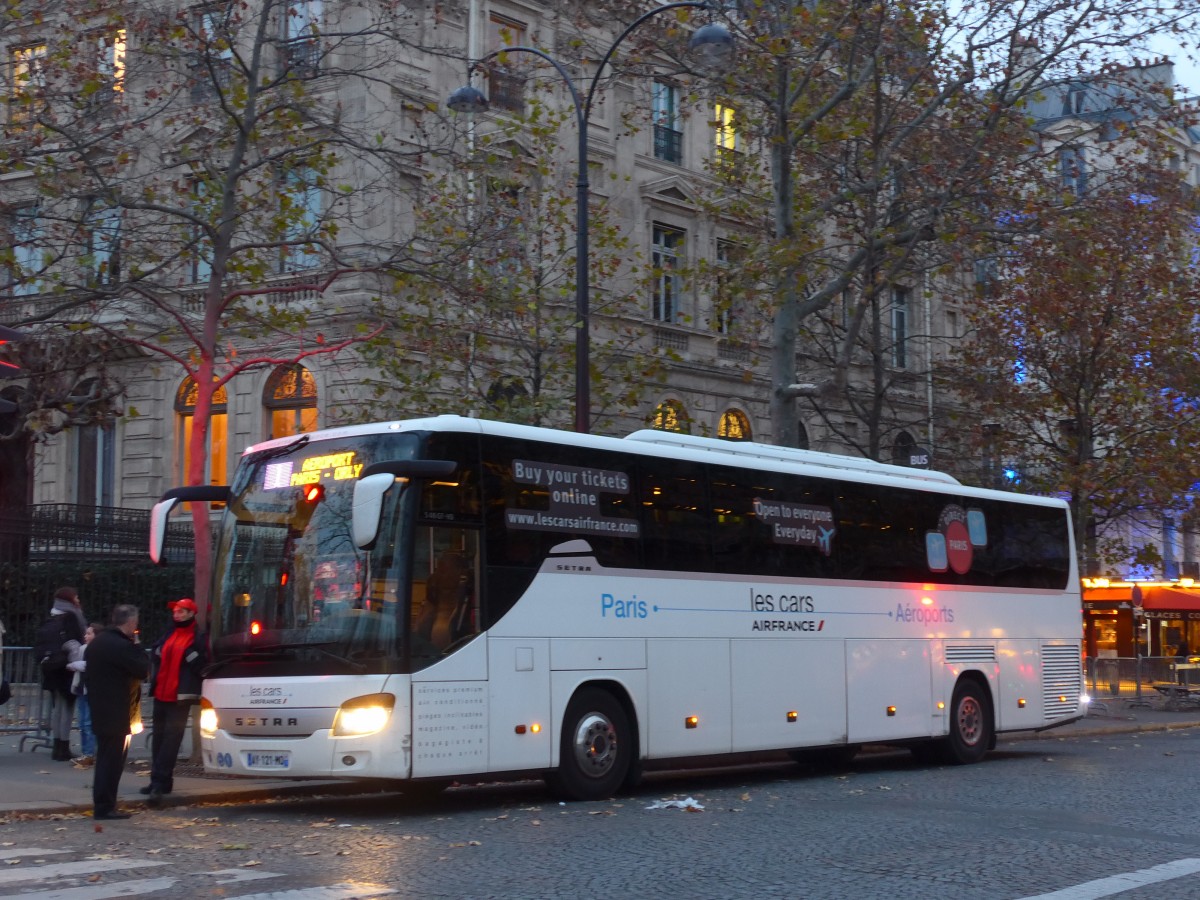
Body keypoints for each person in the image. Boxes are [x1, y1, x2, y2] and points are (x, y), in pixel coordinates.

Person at [85, 604, 149, 821]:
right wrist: (138, 645)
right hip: (118, 711)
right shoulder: (122, 646)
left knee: (104, 758)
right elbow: (143, 669)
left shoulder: (98, 642)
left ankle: (102, 803)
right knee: (112, 762)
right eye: (135, 623)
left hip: (100, 708)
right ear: (130, 622)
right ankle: (105, 806)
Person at [143, 598, 208, 808]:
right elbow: (155, 650)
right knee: (159, 738)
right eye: (176, 611)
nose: (176, 614)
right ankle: (159, 780)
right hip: (162, 692)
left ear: (191, 614)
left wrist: (189, 655)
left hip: (180, 697)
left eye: (181, 611)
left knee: (170, 741)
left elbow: (202, 665)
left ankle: (159, 783)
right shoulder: (169, 632)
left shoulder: (197, 637)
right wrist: (157, 652)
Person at [36, 586, 88, 761]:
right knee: (67, 707)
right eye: (76, 597)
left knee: (57, 707)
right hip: (66, 666)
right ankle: (63, 747)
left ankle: (56, 746)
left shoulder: (51, 616)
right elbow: (77, 640)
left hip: (51, 667)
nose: (78, 600)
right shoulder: (72, 617)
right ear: (71, 599)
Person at [66, 622, 102, 767]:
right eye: (86, 633)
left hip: (91, 689)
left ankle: (89, 753)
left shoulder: (99, 650)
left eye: (89, 633)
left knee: (88, 722)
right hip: (82, 687)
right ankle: (86, 752)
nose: (85, 636)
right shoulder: (83, 649)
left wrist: (74, 665)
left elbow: (87, 665)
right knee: (83, 723)